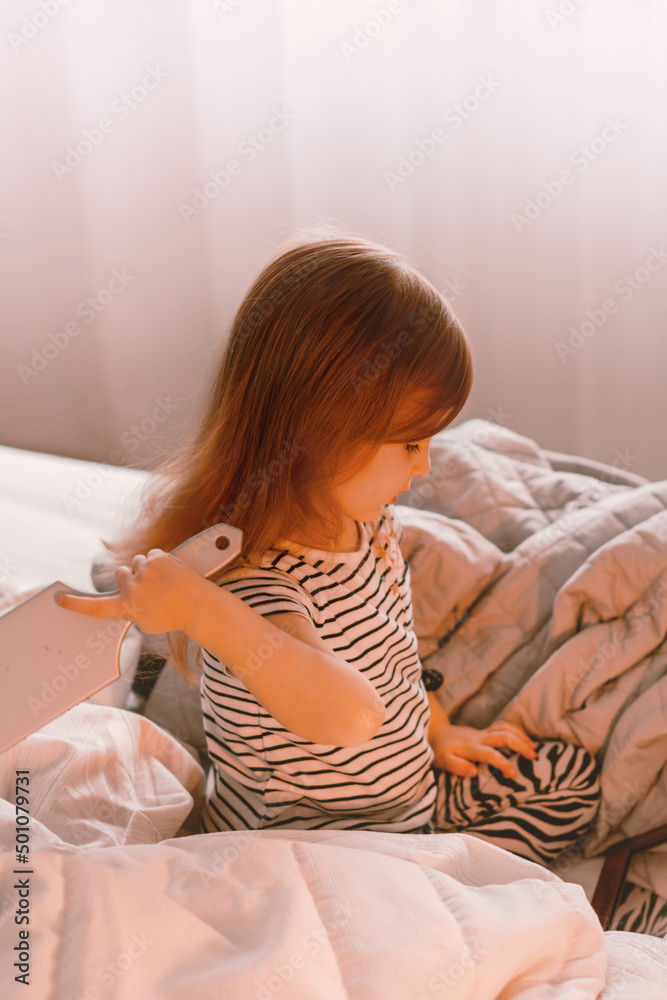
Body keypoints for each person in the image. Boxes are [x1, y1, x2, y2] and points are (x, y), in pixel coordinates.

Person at [58, 231, 600, 865]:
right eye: (410, 443)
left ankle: (454, 870)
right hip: (310, 848)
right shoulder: (252, 581)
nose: (424, 466)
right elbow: (345, 715)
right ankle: (453, 882)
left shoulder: (369, 526)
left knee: (566, 776)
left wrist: (437, 727)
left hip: (405, 804)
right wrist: (199, 610)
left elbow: (392, 656)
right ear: (322, 430)